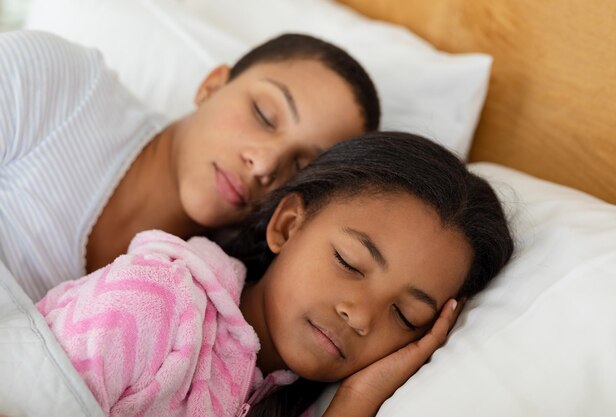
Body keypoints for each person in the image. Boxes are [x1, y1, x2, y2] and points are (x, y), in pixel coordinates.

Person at [36, 132, 514, 417]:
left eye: (406, 315)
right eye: (349, 262)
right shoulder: (153, 299)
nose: (361, 315)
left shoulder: (298, 399)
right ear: (288, 225)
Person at [0, 29, 380, 300]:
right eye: (264, 114)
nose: (264, 164)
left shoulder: (208, 299)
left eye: (300, 166)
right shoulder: (58, 84)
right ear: (211, 85)